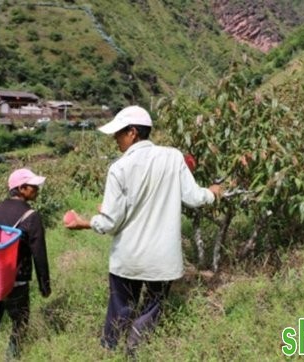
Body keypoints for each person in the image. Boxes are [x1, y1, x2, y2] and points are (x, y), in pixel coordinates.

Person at [64, 105, 222, 354]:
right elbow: (193, 197)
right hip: (162, 259)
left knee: (121, 306)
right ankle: (135, 348)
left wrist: (85, 222)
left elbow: (110, 222)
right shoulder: (172, 157)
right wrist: (212, 194)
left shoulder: (119, 168)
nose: (116, 139)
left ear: (133, 133)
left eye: (119, 133)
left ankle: (110, 350)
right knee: (153, 305)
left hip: (128, 258)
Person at [0, 168, 51, 362]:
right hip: (16, 281)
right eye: (33, 186)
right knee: (19, 323)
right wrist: (45, 286)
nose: (37, 189)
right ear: (21, 188)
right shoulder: (31, 216)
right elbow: (39, 254)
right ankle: (12, 358)